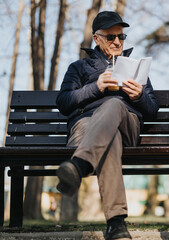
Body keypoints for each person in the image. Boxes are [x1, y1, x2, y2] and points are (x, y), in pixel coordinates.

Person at [56, 11, 159, 240]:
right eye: (110, 37)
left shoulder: (136, 67)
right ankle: (116, 224)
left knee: (114, 104)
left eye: (121, 37)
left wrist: (139, 96)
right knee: (108, 138)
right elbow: (63, 102)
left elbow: (152, 109)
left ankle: (80, 166)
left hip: (126, 125)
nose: (117, 42)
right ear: (96, 38)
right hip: (86, 128)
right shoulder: (79, 68)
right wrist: (96, 87)